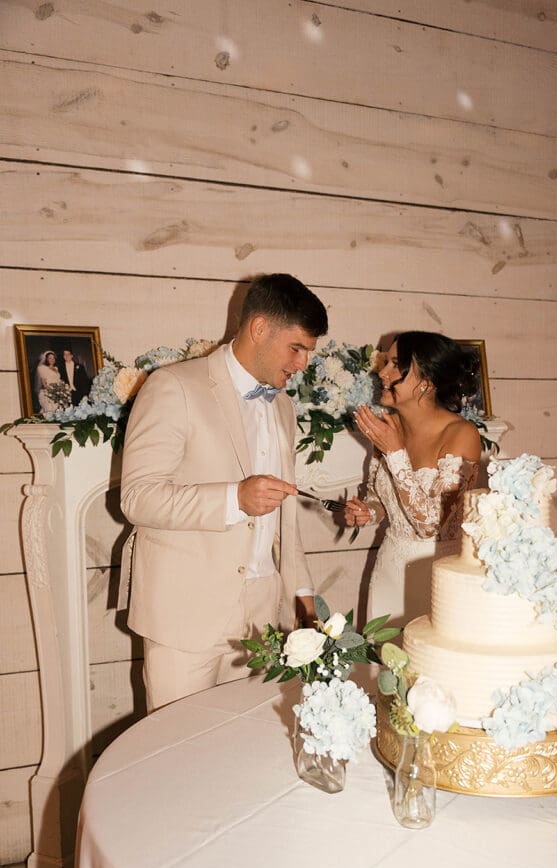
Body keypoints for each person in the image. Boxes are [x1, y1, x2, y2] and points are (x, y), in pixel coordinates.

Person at [119, 273, 328, 711]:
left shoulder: (284, 406)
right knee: (174, 752)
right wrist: (235, 498)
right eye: (297, 347)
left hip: (260, 615)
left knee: (238, 751)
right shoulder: (173, 386)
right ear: (258, 329)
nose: (304, 363)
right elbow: (137, 497)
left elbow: (283, 517)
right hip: (185, 614)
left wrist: (302, 595)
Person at [344, 331, 481, 627]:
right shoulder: (390, 427)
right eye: (386, 362)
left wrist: (395, 453)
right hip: (389, 570)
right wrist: (367, 511)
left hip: (436, 576)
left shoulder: (461, 435)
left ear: (426, 382)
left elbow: (432, 524)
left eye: (395, 365)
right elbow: (381, 495)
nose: (382, 372)